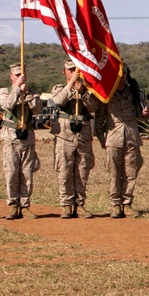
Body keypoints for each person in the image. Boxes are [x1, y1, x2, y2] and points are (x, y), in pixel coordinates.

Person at [98, 66, 149, 218]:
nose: (122, 75)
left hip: (132, 136)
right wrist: (101, 138)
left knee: (131, 172)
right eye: (119, 73)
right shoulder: (107, 93)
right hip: (113, 137)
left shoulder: (134, 92)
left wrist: (145, 114)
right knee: (114, 172)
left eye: (124, 73)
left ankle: (127, 204)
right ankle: (115, 204)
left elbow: (142, 114)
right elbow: (100, 117)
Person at [50, 59, 98, 218]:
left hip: (83, 135)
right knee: (65, 171)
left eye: (76, 69)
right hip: (65, 136)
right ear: (64, 72)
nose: (74, 72)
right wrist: (71, 84)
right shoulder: (59, 88)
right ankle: (66, 204)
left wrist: (83, 91)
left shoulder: (87, 89)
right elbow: (58, 101)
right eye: (70, 70)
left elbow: (93, 107)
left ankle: (80, 204)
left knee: (82, 170)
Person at [0, 64, 44, 219]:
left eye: (21, 75)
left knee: (27, 174)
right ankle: (12, 204)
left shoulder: (32, 93)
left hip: (27, 138)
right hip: (10, 138)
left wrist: (28, 96)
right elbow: (8, 105)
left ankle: (25, 205)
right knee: (11, 173)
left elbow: (38, 110)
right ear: (11, 76)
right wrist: (17, 89)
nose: (19, 77)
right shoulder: (4, 91)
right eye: (16, 75)